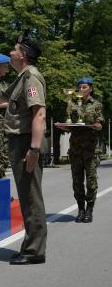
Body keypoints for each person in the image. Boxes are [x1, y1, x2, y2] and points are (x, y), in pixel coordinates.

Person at [0, 36, 47, 265]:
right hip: (19, 141)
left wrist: (33, 149)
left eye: (15, 49)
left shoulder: (31, 77)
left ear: (23, 54)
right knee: (26, 197)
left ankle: (34, 251)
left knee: (31, 198)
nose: (11, 52)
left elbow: (39, 114)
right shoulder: (22, 77)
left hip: (26, 143)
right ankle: (29, 246)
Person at [56, 77, 104, 223]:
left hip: (90, 149)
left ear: (90, 88)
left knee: (91, 181)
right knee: (77, 181)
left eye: (84, 87)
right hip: (76, 149)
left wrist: (96, 126)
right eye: (80, 87)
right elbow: (70, 124)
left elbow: (100, 124)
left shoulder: (96, 104)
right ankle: (80, 210)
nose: (81, 90)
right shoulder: (72, 103)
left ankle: (89, 210)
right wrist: (62, 126)